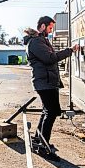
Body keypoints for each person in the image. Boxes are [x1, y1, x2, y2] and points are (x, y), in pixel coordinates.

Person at [23, 16, 79, 160]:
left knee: (47, 111)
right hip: (45, 83)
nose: (51, 30)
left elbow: (50, 57)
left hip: (47, 82)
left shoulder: (40, 40)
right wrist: (70, 50)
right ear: (42, 26)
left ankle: (38, 139)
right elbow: (50, 58)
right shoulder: (36, 42)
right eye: (49, 28)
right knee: (52, 111)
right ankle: (43, 147)